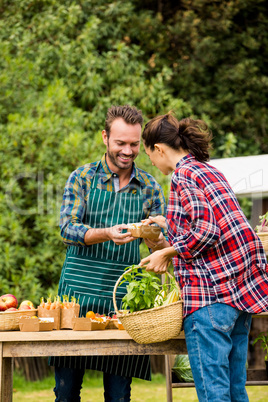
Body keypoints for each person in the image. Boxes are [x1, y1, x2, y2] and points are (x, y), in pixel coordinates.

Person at [139, 113, 268, 401]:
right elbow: (216, 223)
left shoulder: (182, 175)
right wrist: (167, 224)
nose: (153, 164)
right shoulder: (208, 170)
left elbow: (207, 231)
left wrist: (166, 252)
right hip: (239, 296)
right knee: (236, 391)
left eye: (150, 157)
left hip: (209, 299)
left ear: (159, 149)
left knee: (214, 395)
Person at [50, 105, 166, 402]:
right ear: (105, 137)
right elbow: (67, 230)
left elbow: (163, 246)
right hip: (77, 294)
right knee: (66, 393)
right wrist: (106, 233)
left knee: (118, 396)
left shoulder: (150, 187)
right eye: (120, 143)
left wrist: (155, 236)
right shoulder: (83, 178)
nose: (128, 151)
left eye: (134, 144)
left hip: (122, 298)